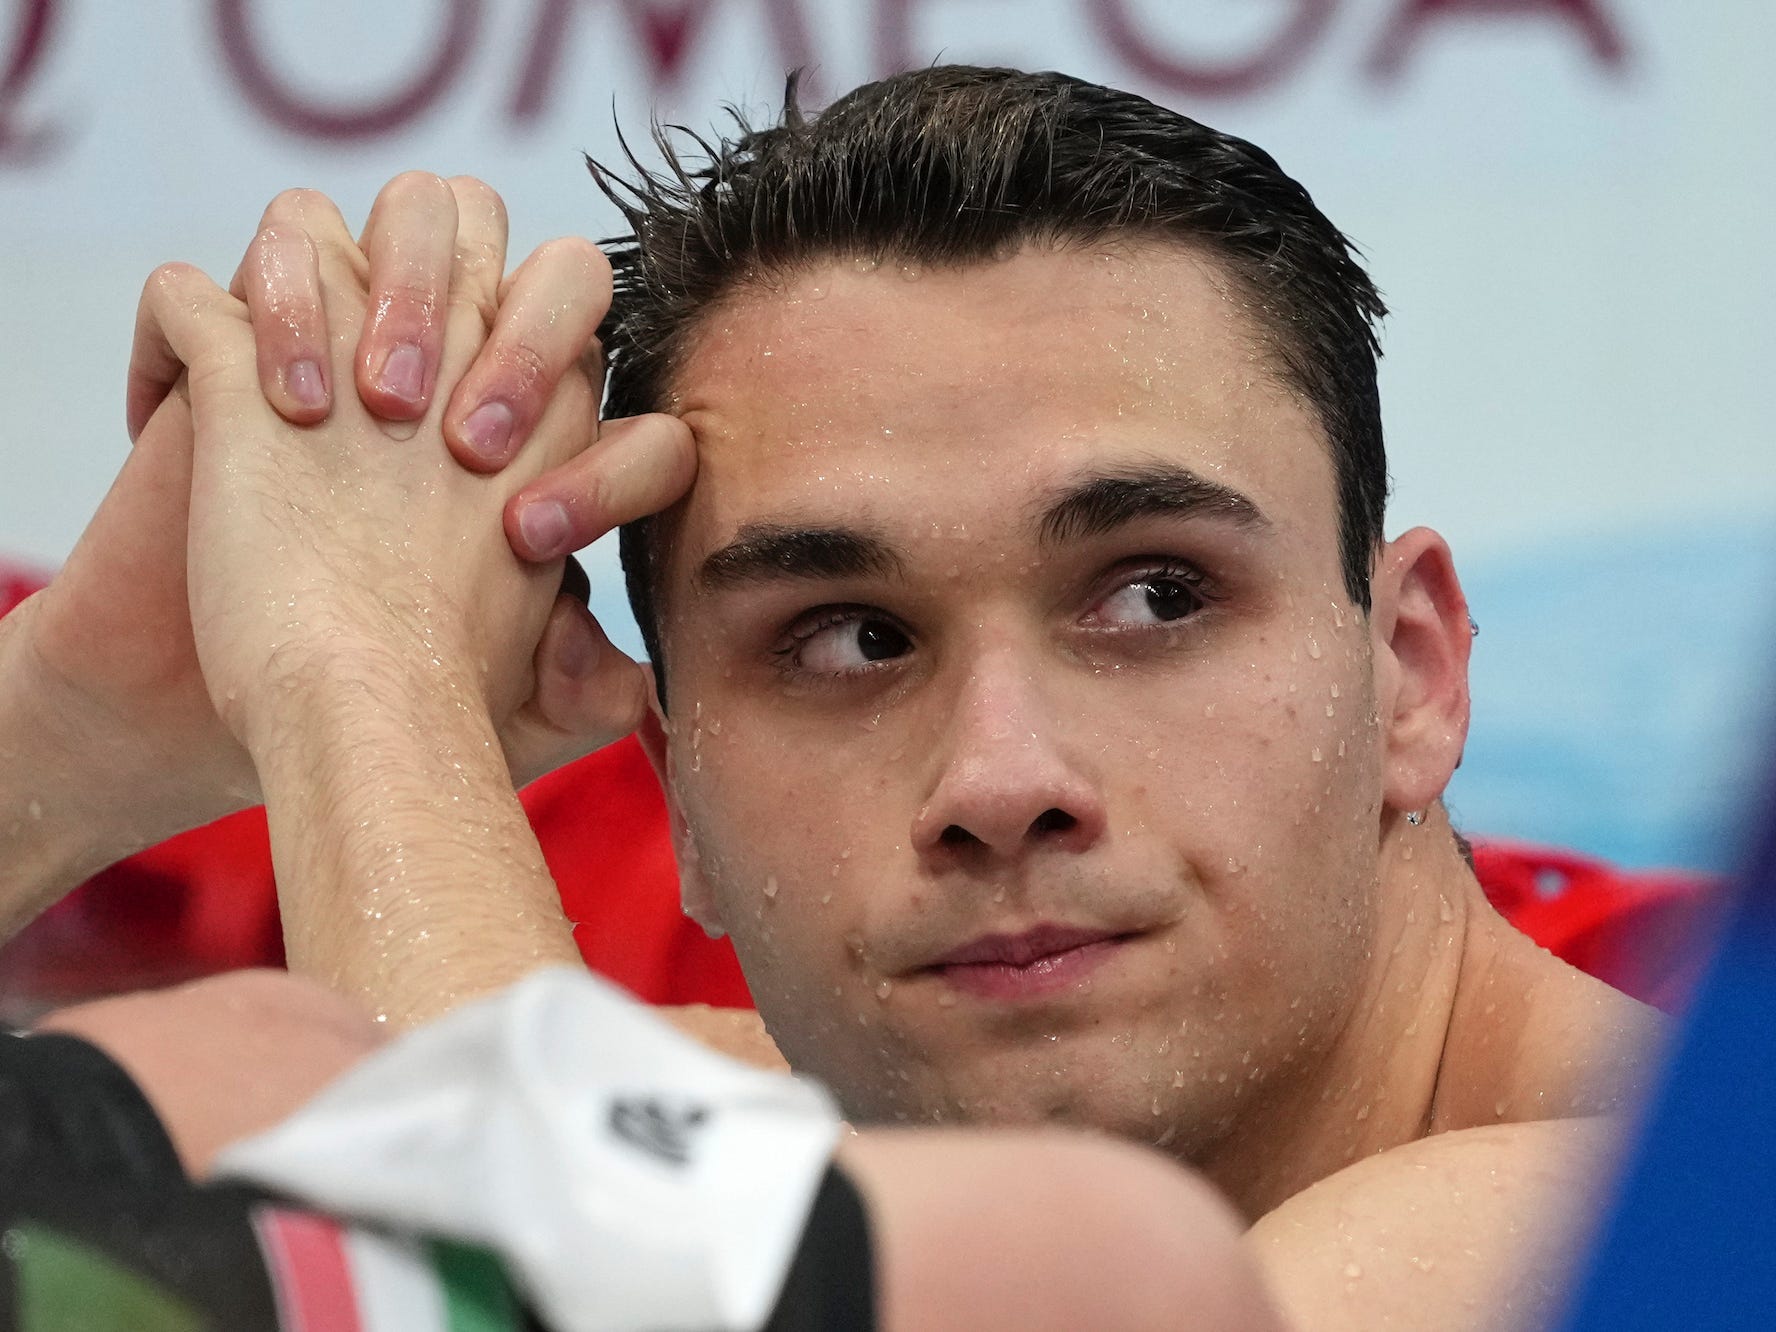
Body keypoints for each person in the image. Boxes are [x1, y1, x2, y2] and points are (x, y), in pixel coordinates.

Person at [0, 66, 1665, 1329]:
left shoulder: (1646, 1206)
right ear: (681, 803)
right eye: (851, 639)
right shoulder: (761, 1119)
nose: (1002, 778)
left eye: (1156, 595)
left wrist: (356, 676)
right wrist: (71, 735)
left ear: (1413, 676)